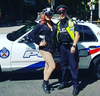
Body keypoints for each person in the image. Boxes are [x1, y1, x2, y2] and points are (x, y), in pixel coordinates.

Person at [28, 7, 57, 94]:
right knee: (53, 66)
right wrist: (38, 42)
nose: (49, 16)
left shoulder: (53, 24)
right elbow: (31, 34)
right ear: (44, 15)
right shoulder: (40, 24)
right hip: (45, 48)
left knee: (47, 66)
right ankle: (44, 83)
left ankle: (47, 83)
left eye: (50, 14)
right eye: (47, 14)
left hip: (53, 48)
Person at [56, 5, 80, 96]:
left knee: (73, 67)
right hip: (62, 48)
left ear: (66, 13)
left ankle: (76, 86)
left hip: (71, 47)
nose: (61, 14)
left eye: (63, 12)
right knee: (63, 66)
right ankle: (64, 82)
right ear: (58, 14)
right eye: (60, 13)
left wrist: (74, 46)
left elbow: (77, 35)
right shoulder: (58, 24)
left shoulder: (72, 22)